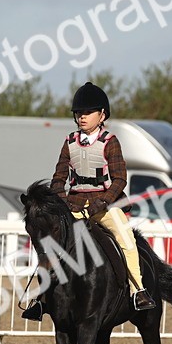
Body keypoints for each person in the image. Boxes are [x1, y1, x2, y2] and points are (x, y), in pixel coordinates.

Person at [48, 81, 155, 311]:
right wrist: (61, 198)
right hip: (75, 204)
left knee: (126, 240)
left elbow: (119, 179)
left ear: (102, 114)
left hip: (105, 206)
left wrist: (104, 200)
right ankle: (42, 297)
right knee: (50, 239)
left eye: (87, 113)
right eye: (78, 113)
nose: (82, 117)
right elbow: (58, 178)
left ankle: (138, 290)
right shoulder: (69, 142)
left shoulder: (110, 142)